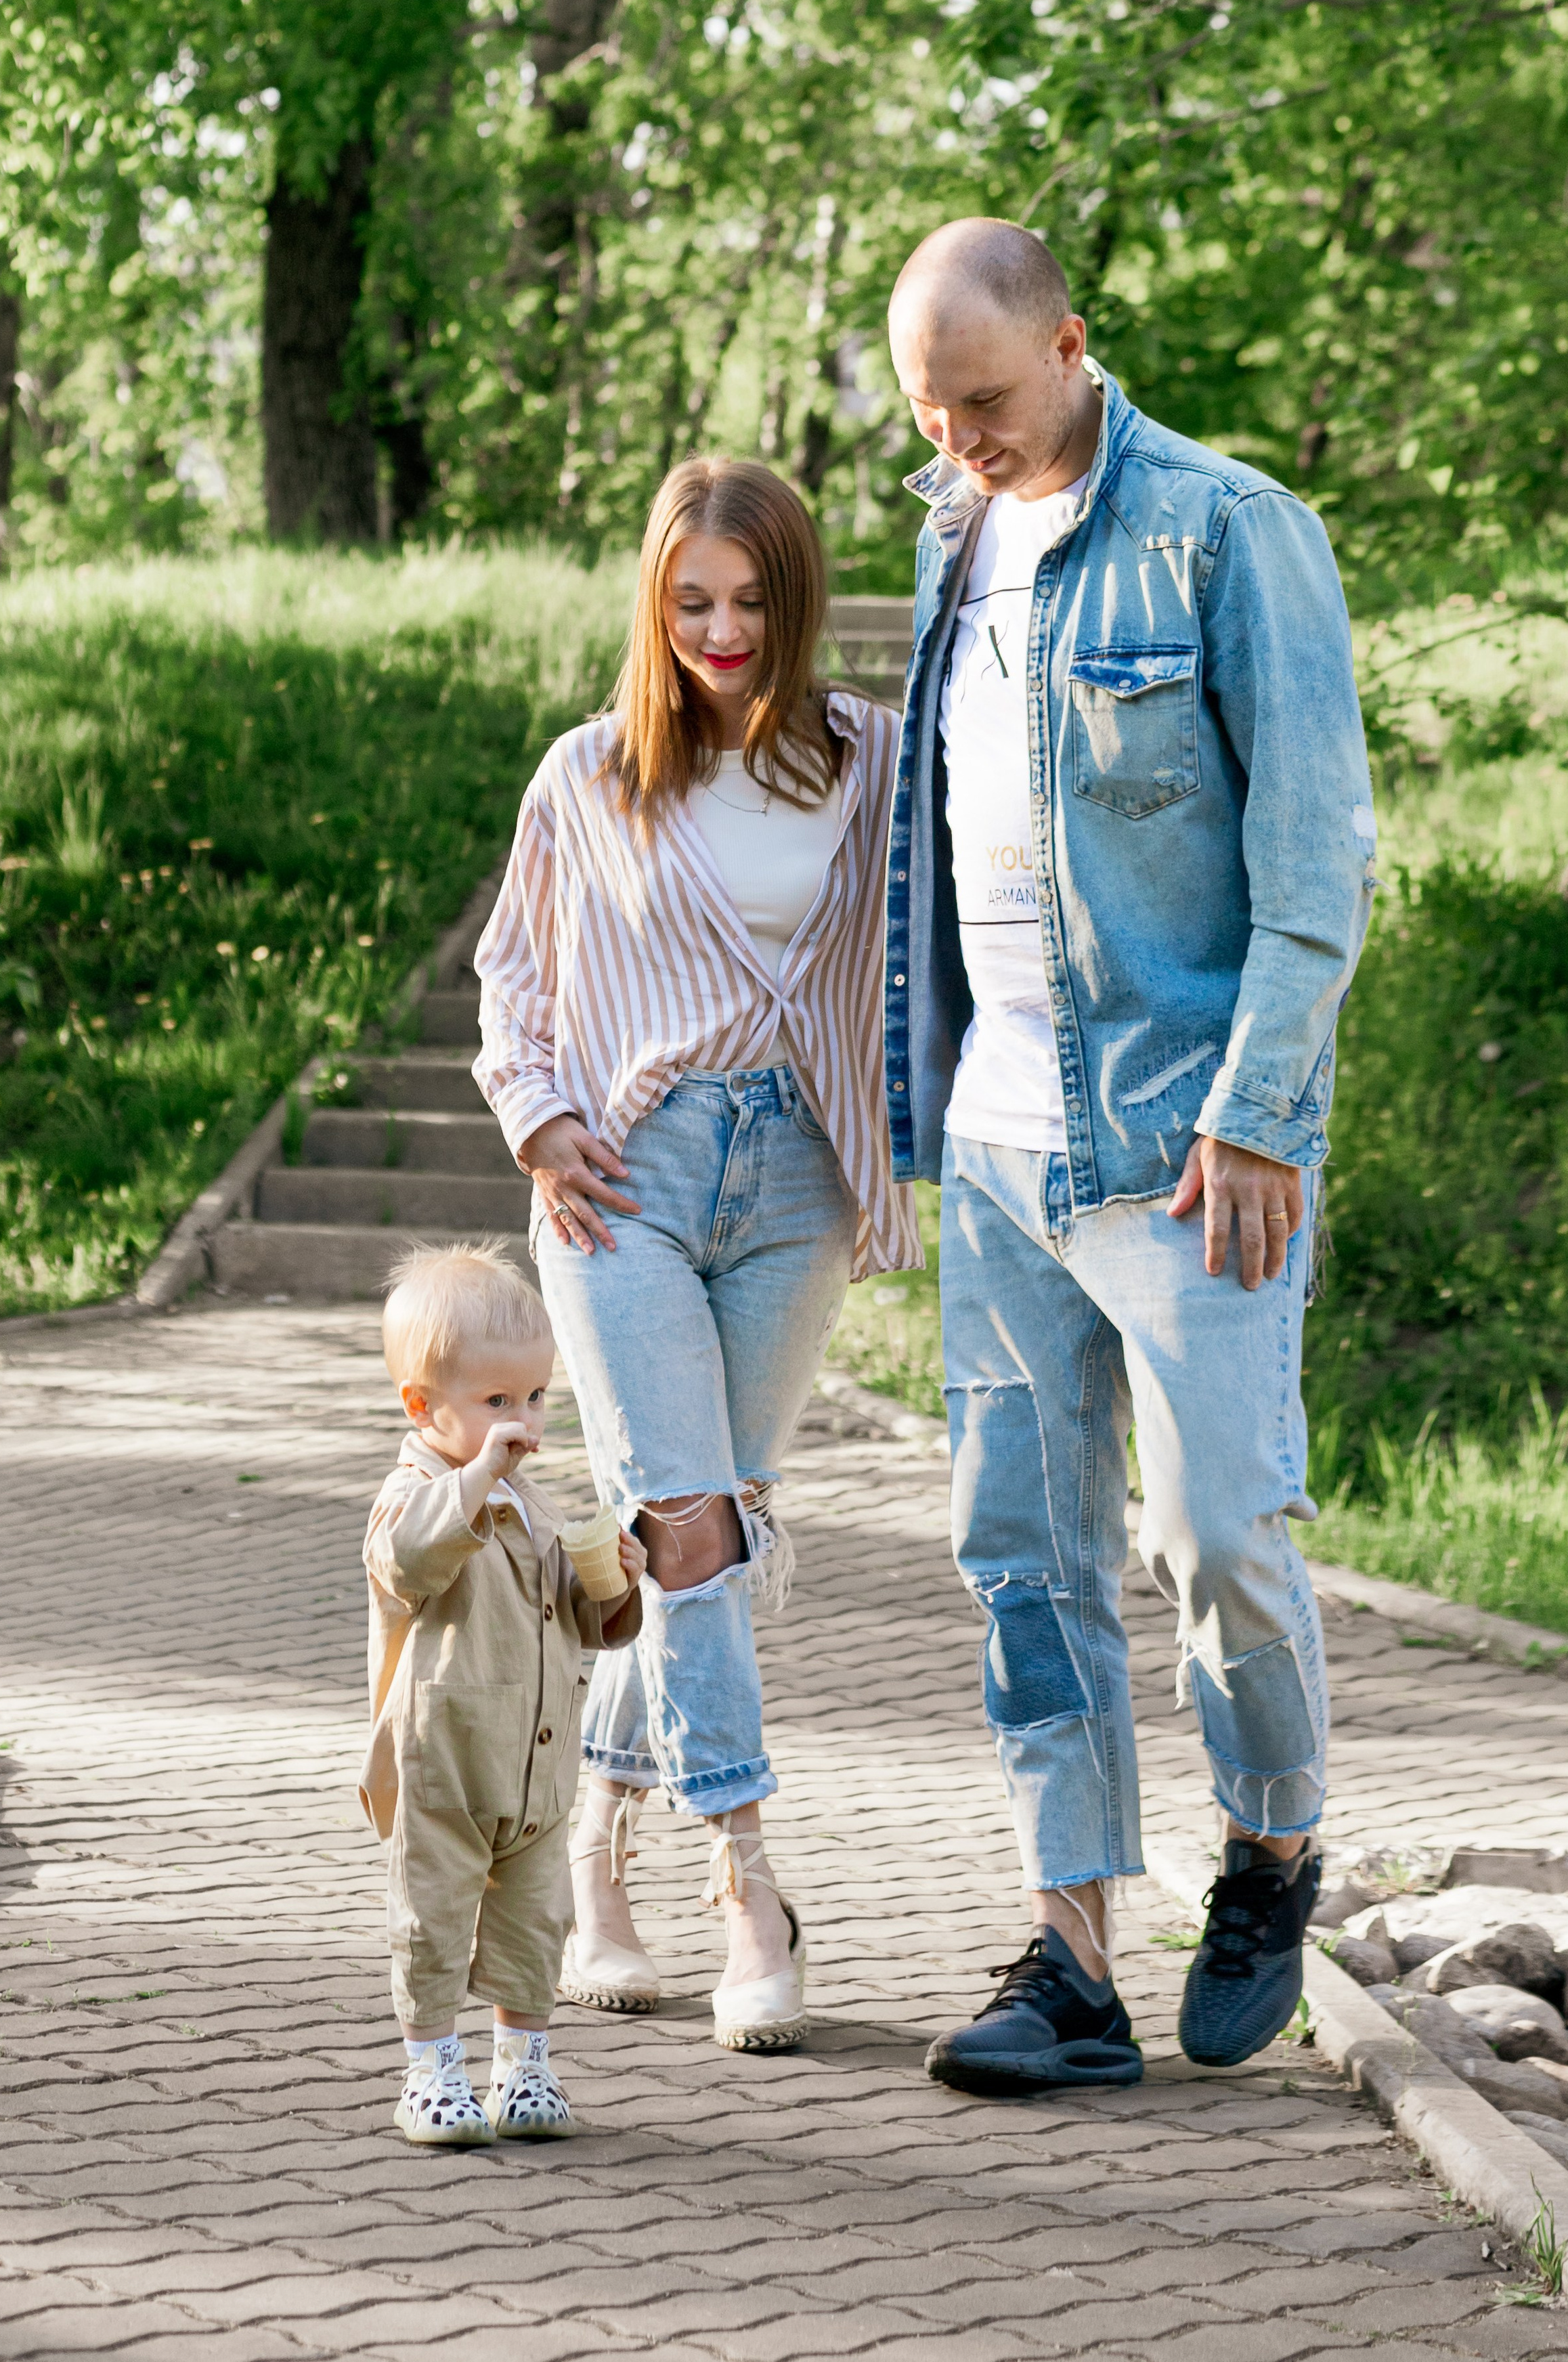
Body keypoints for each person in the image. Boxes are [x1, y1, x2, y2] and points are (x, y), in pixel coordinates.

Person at [883, 218, 1375, 2093]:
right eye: (932, 414)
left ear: (1074, 344)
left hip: (1184, 1145)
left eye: (988, 404)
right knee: (1025, 1552)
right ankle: (1075, 1955)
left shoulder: (1229, 527)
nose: (963, 443)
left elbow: (1318, 853)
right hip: (999, 1148)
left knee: (1219, 1532)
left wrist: (1263, 1109)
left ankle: (1270, 1841)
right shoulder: (952, 538)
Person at [473, 456, 917, 2053]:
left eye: (749, 602)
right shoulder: (590, 772)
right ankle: (747, 1875)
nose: (720, 631)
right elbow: (511, 980)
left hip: (800, 1172)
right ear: (653, 605)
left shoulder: (868, 760)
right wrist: (534, 1119)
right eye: (689, 602)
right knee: (686, 1521)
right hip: (625, 1180)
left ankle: (592, 1849)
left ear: (794, 607)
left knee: (713, 1525)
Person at [363, 1242, 645, 2147]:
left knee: (535, 1926)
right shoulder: (413, 1497)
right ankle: (431, 2072)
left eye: (535, 1398)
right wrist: (479, 1477)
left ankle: (523, 2068)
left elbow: (590, 1626)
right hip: (444, 1760)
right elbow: (408, 1565)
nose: (522, 1422)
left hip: (538, 1762)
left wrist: (617, 1583)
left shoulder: (535, 1506)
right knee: (433, 1918)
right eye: (497, 1403)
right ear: (422, 1404)